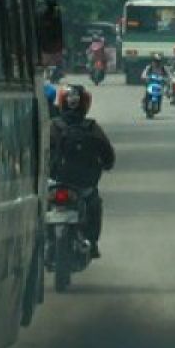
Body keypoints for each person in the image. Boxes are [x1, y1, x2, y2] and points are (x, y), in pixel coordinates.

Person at [50, 85, 116, 259]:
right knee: (94, 205)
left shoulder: (52, 127)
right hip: (84, 185)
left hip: (54, 183)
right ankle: (92, 244)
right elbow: (108, 155)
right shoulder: (92, 128)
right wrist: (107, 165)